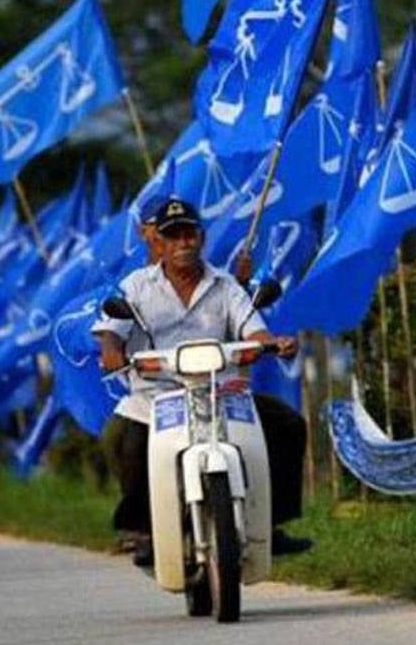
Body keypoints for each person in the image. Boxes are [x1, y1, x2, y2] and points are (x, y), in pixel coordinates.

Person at [93, 197, 311, 566]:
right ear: (158, 243)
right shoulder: (135, 287)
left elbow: (253, 331)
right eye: (172, 235)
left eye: (189, 234)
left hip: (220, 392)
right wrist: (112, 351)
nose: (182, 243)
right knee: (120, 439)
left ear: (202, 238)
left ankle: (269, 526)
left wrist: (275, 343)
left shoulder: (226, 286)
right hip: (156, 399)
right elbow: (110, 334)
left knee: (288, 426)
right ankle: (145, 531)